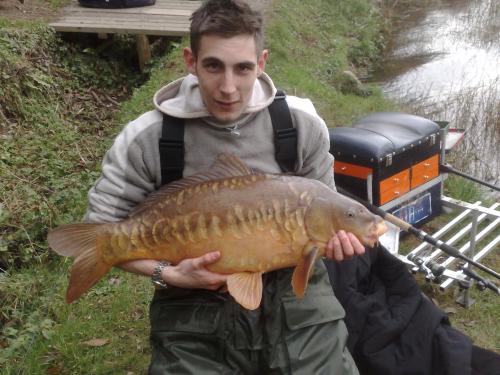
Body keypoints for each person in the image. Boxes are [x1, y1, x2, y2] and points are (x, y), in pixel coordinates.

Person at [84, 0, 366, 373]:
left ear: (261, 63)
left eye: (243, 68)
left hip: (291, 290)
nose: (229, 87)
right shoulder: (146, 138)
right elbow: (101, 230)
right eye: (214, 66)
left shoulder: (299, 124)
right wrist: (167, 274)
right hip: (190, 294)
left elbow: (324, 209)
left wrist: (334, 244)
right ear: (190, 60)